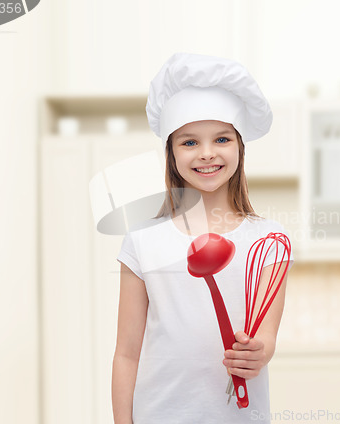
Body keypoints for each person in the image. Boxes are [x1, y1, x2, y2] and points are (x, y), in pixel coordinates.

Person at [113, 53, 294, 424]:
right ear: (171, 153)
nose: (207, 153)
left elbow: (267, 337)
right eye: (189, 142)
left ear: (240, 148)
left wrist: (258, 352)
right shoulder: (142, 242)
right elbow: (127, 353)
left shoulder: (269, 241)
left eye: (222, 138)